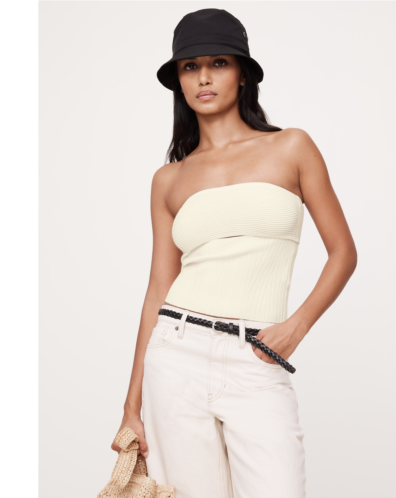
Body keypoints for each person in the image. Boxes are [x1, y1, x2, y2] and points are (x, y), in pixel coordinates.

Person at [112, 8, 357, 497]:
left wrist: (296, 327)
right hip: (175, 354)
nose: (203, 77)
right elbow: (158, 289)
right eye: (190, 67)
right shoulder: (169, 179)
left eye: (218, 63)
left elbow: (343, 252)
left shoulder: (291, 147)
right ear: (179, 81)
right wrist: (130, 407)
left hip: (257, 357)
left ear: (243, 74)